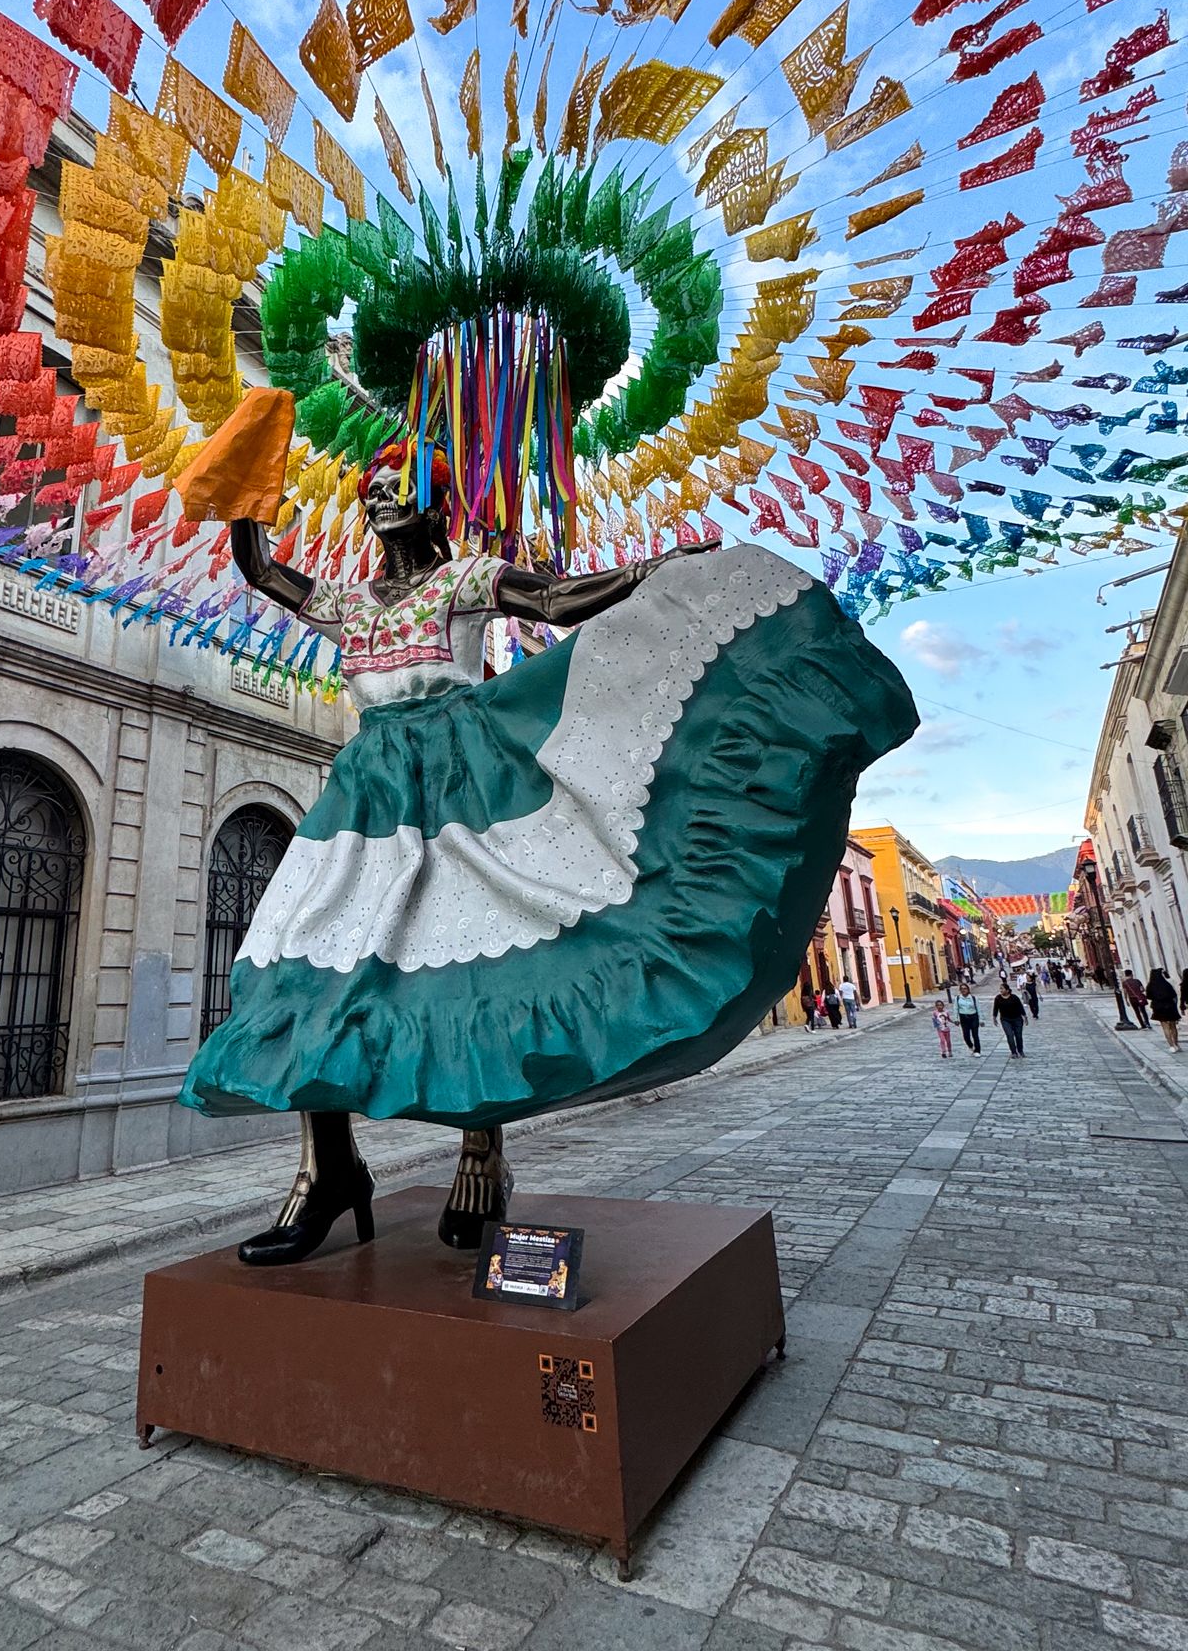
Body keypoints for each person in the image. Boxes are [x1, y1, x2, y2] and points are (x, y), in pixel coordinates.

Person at [177, 428, 918, 1263]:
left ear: (434, 498)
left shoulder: (464, 578)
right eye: (369, 489)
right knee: (308, 963)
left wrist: (650, 572)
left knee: (479, 963)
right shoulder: (348, 604)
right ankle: (330, 1169)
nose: (380, 497)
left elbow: (557, 602)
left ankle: (481, 1156)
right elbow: (266, 573)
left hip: (466, 787)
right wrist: (245, 492)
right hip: (365, 799)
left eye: (398, 482)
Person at [1148, 968, 1181, 1052]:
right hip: (1169, 1006)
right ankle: (1176, 1044)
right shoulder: (1166, 984)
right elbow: (1173, 994)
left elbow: (1148, 996)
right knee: (1173, 1026)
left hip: (1158, 1007)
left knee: (1165, 1027)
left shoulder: (1150, 985)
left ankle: (1171, 1046)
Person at [994, 980, 1028, 1058]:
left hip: (1017, 1019)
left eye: (1002, 989)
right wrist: (994, 1017)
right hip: (1005, 1019)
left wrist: (1025, 1017)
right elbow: (995, 1008)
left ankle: (1020, 1050)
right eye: (1000, 989)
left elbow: (1020, 1007)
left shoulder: (1014, 997)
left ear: (1007, 990)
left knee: (1018, 1035)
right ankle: (1013, 1052)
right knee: (1009, 1035)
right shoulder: (998, 998)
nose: (1001, 990)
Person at [954, 981, 982, 1055]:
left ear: (968, 989)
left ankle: (977, 1050)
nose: (963, 990)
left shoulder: (973, 998)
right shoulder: (957, 998)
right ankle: (970, 1045)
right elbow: (955, 1009)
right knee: (966, 1035)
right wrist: (956, 1019)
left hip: (973, 1017)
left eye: (965, 988)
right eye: (962, 989)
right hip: (963, 1018)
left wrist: (981, 1019)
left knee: (975, 1035)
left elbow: (978, 1008)